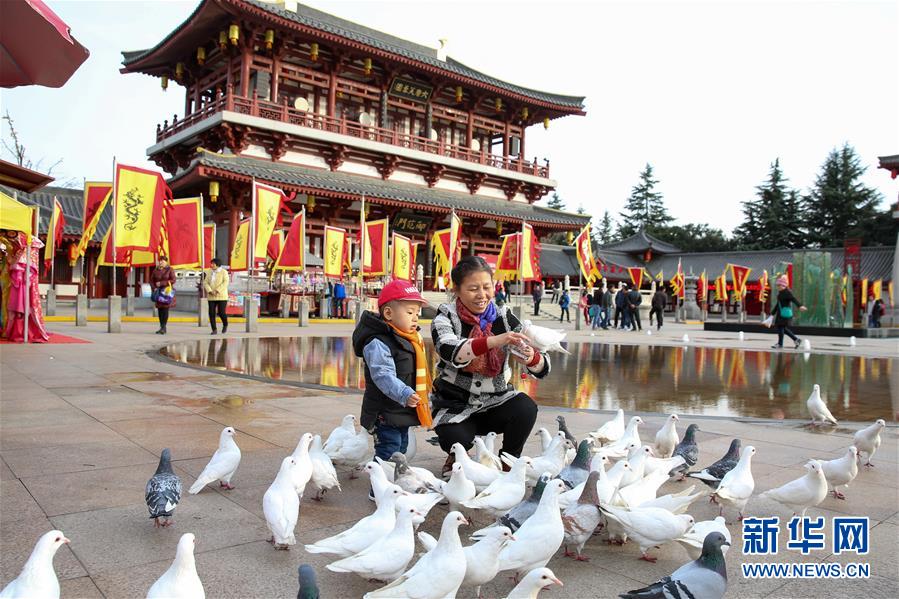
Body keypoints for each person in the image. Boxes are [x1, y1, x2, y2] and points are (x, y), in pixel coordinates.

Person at [431, 256, 550, 476]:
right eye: (473, 289)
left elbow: (542, 364)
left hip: (496, 400)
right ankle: (457, 456)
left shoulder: (504, 317)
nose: (482, 295)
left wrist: (531, 357)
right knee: (454, 438)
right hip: (455, 403)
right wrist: (494, 341)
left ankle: (509, 460)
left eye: (487, 287)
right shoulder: (445, 317)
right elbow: (450, 350)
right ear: (456, 289)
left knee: (525, 408)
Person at [352, 280, 431, 500]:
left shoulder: (410, 339)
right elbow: (382, 375)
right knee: (388, 450)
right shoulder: (378, 342)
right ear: (388, 313)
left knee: (401, 448)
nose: (415, 318)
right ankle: (378, 491)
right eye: (409, 312)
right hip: (385, 411)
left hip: (401, 410)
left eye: (417, 313)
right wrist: (404, 393)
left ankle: (393, 486)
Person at [770, 275, 806, 349]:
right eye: (777, 285)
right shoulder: (780, 293)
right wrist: (772, 314)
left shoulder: (787, 293)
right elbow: (778, 304)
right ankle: (796, 340)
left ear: (784, 285)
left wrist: (800, 306)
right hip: (780, 313)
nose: (778, 287)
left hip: (785, 314)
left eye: (779, 285)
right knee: (782, 328)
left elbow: (793, 299)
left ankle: (780, 344)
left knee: (781, 327)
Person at [151, 256, 176, 335]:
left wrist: (162, 283)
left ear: (166, 262)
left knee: (165, 310)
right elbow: (151, 281)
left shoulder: (170, 269)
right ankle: (161, 327)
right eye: (160, 261)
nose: (161, 262)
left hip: (166, 292)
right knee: (160, 310)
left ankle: (164, 327)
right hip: (158, 292)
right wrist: (154, 288)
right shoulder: (156, 270)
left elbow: (173, 280)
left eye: (163, 261)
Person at [204, 258, 229, 334]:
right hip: (211, 296)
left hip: (221, 296)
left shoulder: (224, 272)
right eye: (211, 263)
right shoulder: (209, 271)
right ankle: (214, 329)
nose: (211, 265)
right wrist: (210, 291)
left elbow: (225, 282)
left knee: (221, 313)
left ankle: (225, 324)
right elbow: (205, 282)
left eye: (213, 264)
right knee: (211, 313)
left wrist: (217, 290)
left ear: (217, 265)